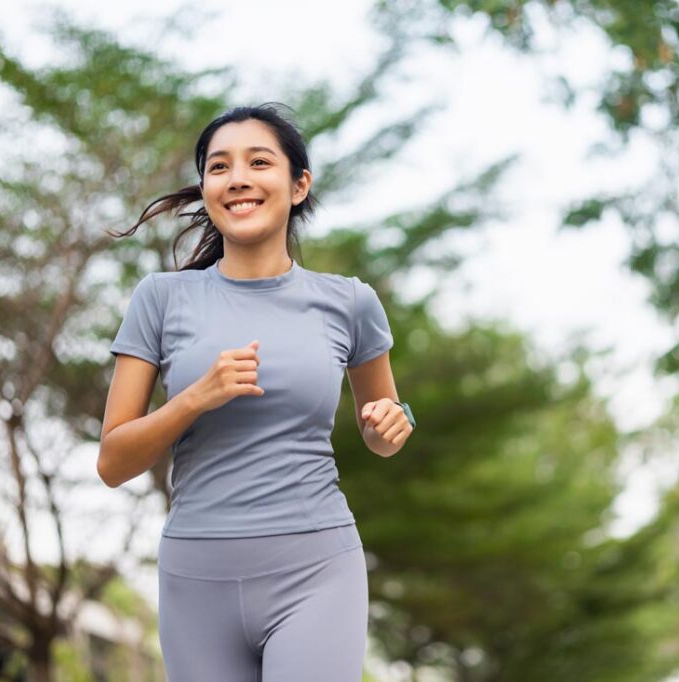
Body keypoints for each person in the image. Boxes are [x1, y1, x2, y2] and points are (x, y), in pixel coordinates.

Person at [97, 103, 415, 681]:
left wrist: (391, 423)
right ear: (207, 189)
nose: (237, 177)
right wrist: (195, 396)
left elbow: (383, 430)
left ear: (298, 185)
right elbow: (114, 462)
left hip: (316, 567)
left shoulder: (349, 302)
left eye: (258, 162)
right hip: (196, 575)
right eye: (218, 167)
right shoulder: (161, 299)